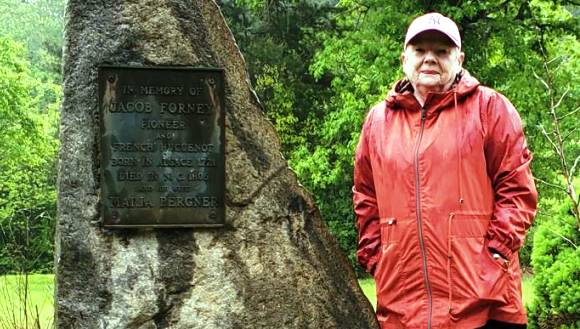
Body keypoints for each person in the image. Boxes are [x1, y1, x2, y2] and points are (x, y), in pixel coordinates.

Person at [353, 12, 538, 329]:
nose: (429, 59)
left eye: (441, 51)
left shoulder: (489, 108)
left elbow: (517, 189)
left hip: (485, 299)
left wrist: (496, 253)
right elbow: (365, 196)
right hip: (403, 303)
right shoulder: (378, 121)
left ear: (459, 58)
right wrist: (376, 257)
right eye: (420, 50)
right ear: (404, 57)